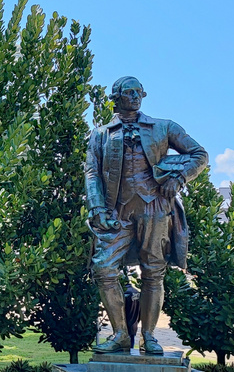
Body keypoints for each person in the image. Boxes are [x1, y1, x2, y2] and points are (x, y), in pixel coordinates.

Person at [85, 76, 208, 354]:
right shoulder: (100, 134)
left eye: (138, 92)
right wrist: (96, 207)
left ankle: (149, 336)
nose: (135, 96)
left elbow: (199, 154)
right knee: (103, 268)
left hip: (155, 207)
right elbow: (92, 172)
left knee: (153, 271)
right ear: (115, 97)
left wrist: (180, 177)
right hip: (116, 210)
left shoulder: (164, 127)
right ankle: (120, 334)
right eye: (128, 92)